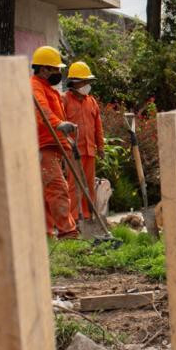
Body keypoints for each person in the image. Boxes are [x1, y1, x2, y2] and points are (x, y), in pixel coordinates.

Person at [31, 46, 77, 238]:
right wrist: (59, 124)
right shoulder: (34, 86)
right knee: (58, 188)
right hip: (43, 145)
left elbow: (56, 114)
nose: (59, 73)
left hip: (54, 145)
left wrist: (67, 138)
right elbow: (42, 111)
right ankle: (68, 233)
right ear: (44, 69)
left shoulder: (48, 89)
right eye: (56, 69)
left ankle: (47, 233)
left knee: (48, 191)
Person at [63, 61, 104, 231]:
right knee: (74, 185)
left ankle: (88, 216)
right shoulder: (64, 100)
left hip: (89, 150)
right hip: (72, 150)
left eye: (88, 82)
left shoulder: (91, 101)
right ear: (74, 82)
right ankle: (73, 219)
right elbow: (60, 125)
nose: (86, 85)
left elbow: (98, 126)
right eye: (83, 82)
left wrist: (100, 146)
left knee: (89, 184)